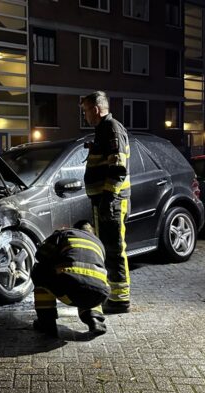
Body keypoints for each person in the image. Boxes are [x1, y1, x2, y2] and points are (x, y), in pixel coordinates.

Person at [80, 91, 132, 314]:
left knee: (114, 249)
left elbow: (118, 168)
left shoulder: (112, 128)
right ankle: (112, 294)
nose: (85, 116)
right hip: (104, 201)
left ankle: (120, 300)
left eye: (86, 111)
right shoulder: (103, 130)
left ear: (96, 109)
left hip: (111, 202)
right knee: (108, 249)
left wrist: (108, 200)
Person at [31, 220, 109, 337]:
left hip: (70, 290)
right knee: (90, 280)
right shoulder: (98, 243)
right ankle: (94, 319)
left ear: (75, 228)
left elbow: (41, 255)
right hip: (99, 295)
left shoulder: (65, 233)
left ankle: (47, 323)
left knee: (39, 271)